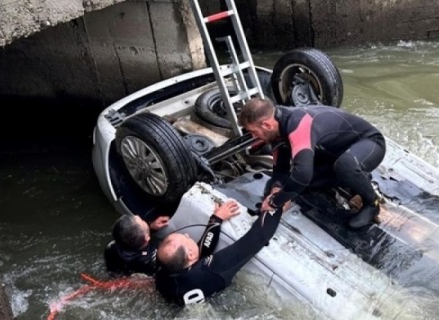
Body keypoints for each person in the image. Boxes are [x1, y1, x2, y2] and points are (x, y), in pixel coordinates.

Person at [238, 97, 386, 229]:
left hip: (369, 143)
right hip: (333, 154)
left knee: (344, 166)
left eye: (253, 131)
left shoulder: (297, 124)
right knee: (291, 185)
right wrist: (277, 189)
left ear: (266, 125)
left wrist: (275, 202)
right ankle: (356, 177)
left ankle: (372, 204)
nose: (253, 136)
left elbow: (303, 174)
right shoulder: (276, 130)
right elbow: (280, 171)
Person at [155, 206, 284, 307]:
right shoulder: (211, 269)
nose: (188, 235)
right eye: (185, 237)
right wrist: (276, 206)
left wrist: (216, 219)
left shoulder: (162, 275)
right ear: (189, 254)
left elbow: (199, 253)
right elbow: (256, 239)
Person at [105, 201, 240, 276]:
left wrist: (150, 227)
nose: (143, 219)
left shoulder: (112, 247)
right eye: (143, 221)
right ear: (146, 239)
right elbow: (197, 253)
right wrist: (216, 219)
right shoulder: (152, 258)